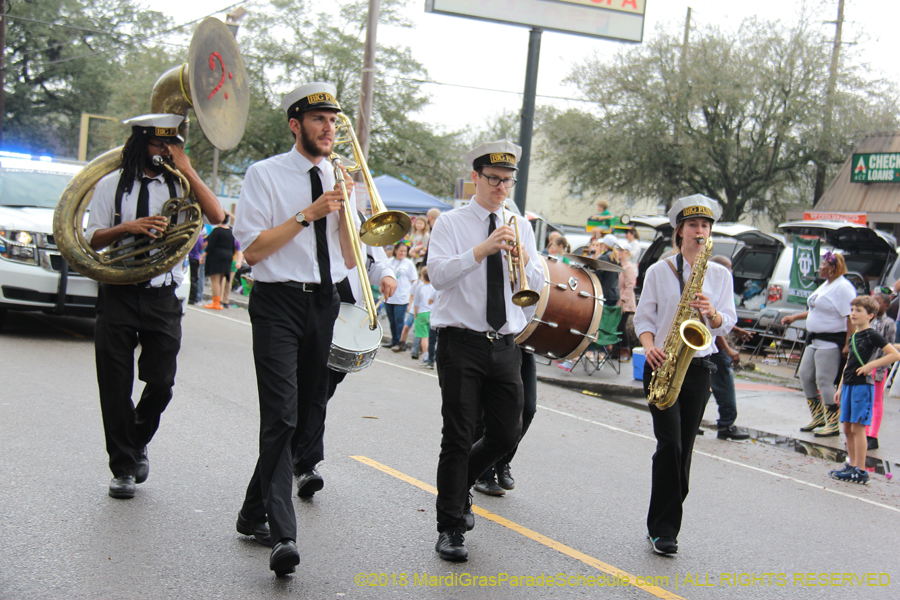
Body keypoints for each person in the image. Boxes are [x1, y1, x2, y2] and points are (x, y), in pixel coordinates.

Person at [233, 82, 357, 577]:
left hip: (323, 302)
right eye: (319, 120)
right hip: (277, 302)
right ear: (296, 125)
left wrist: (345, 209)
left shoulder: (338, 179)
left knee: (304, 416)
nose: (328, 128)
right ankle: (283, 534)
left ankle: (249, 511)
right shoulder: (264, 174)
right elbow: (253, 249)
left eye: (333, 121)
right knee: (281, 416)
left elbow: (350, 257)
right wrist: (309, 214)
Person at [84, 113, 225, 500]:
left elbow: (217, 216)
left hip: (162, 295)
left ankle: (136, 439)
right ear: (139, 144)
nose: (165, 151)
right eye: (158, 144)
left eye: (171, 144)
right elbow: (91, 239)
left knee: (161, 382)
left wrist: (189, 169)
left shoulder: (181, 184)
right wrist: (127, 229)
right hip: (117, 292)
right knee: (114, 385)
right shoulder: (111, 185)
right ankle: (123, 467)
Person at [428, 139, 543, 562]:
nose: (501, 188)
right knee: (457, 437)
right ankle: (450, 527)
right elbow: (437, 275)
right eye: (494, 179)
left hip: (505, 342)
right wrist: (481, 250)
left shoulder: (520, 223)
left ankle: (460, 489)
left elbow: (532, 281)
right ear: (475, 178)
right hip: (461, 341)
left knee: (506, 432)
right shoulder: (451, 223)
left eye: (508, 181)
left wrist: (526, 257)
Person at [634, 194, 735, 556]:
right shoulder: (660, 271)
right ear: (680, 231)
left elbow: (729, 322)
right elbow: (643, 319)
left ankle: (662, 519)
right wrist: (648, 346)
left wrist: (714, 314)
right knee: (670, 445)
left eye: (705, 226)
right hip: (661, 363)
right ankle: (663, 530)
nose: (700, 231)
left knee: (684, 450)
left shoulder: (720, 274)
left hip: (698, 367)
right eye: (693, 225)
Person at [292, 239, 397, 496]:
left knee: (321, 391)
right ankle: (305, 464)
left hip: (349, 320)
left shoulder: (360, 221)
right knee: (317, 391)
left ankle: (293, 444)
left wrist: (386, 274)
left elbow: (376, 260)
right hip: (317, 309)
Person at [781, 252, 855, 437]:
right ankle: (818, 415)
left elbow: (850, 317)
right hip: (814, 339)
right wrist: (795, 317)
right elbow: (815, 308)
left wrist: (848, 343)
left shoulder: (843, 287)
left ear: (832, 267)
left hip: (831, 340)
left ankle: (832, 421)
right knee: (806, 376)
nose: (819, 267)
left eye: (823, 264)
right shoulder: (826, 285)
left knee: (824, 380)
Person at [828, 296, 899, 484]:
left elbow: (894, 354)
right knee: (847, 427)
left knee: (858, 428)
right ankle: (851, 465)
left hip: (862, 387)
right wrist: (841, 386)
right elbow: (849, 364)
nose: (853, 314)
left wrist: (871, 365)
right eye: (852, 310)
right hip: (849, 385)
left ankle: (860, 469)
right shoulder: (853, 337)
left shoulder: (872, 334)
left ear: (870, 315)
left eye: (858, 311)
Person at [707, 255, 751, 441]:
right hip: (711, 346)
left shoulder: (713, 282)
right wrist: (728, 350)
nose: (731, 271)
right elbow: (714, 326)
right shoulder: (715, 282)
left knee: (702, 386)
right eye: (729, 267)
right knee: (723, 383)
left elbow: (719, 318)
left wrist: (736, 329)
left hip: (707, 345)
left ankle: (690, 423)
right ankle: (726, 424)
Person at [866, 290, 896, 450]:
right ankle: (863, 432)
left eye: (877, 301)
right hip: (864, 366)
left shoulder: (888, 323)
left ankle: (873, 435)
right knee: (865, 401)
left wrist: (880, 368)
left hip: (878, 368)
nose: (874, 304)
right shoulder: (868, 321)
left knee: (876, 401)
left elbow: (888, 347)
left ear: (886, 305)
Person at [384, 242, 417, 351]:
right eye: (401, 251)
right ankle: (393, 340)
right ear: (396, 251)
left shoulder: (408, 263)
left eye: (404, 251)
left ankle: (400, 342)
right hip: (389, 296)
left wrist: (412, 297)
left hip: (402, 297)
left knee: (399, 320)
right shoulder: (389, 262)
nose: (402, 253)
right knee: (392, 320)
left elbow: (414, 280)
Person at [203, 214, 238, 310]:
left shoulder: (217, 231)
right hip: (228, 257)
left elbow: (210, 245)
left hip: (216, 256)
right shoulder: (231, 232)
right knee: (221, 280)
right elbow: (233, 247)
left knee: (214, 280)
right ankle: (218, 302)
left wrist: (203, 255)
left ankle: (216, 302)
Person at [615, 239, 637, 361]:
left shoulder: (629, 268)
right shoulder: (621, 266)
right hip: (620, 300)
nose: (619, 252)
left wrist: (623, 301)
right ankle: (618, 349)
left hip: (626, 302)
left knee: (621, 325)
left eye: (622, 250)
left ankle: (625, 350)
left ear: (627, 252)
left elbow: (630, 285)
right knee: (618, 326)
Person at [412, 266, 436, 364]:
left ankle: (426, 356)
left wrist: (415, 314)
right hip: (431, 312)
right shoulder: (434, 287)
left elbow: (416, 303)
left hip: (422, 313)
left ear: (422, 276)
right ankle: (430, 355)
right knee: (431, 337)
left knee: (424, 336)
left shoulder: (419, 288)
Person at [187, 230, 205, 304]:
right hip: (197, 257)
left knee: (190, 278)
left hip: (191, 257)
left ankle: (191, 296)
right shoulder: (201, 237)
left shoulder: (193, 236)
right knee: (194, 278)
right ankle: (193, 296)